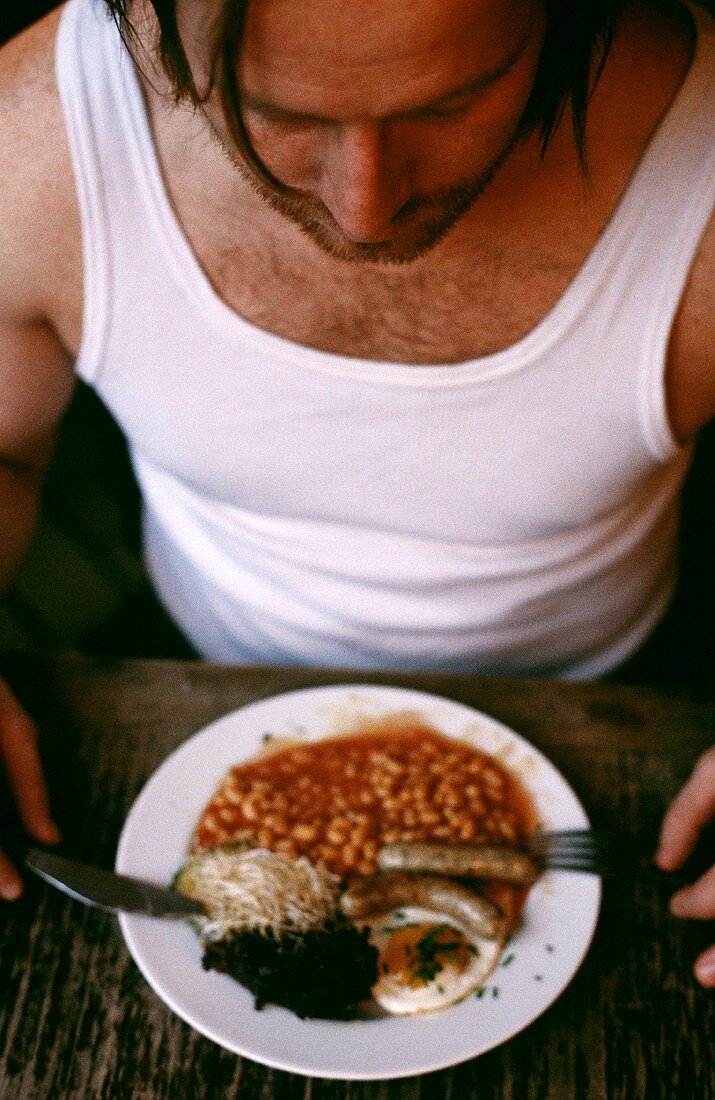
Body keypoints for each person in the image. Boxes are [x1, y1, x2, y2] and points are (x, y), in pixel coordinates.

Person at [0, 0, 713, 983]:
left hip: (630, 712)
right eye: (278, 116)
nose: (363, 208)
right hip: (182, 671)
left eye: (452, 104)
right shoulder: (34, 134)